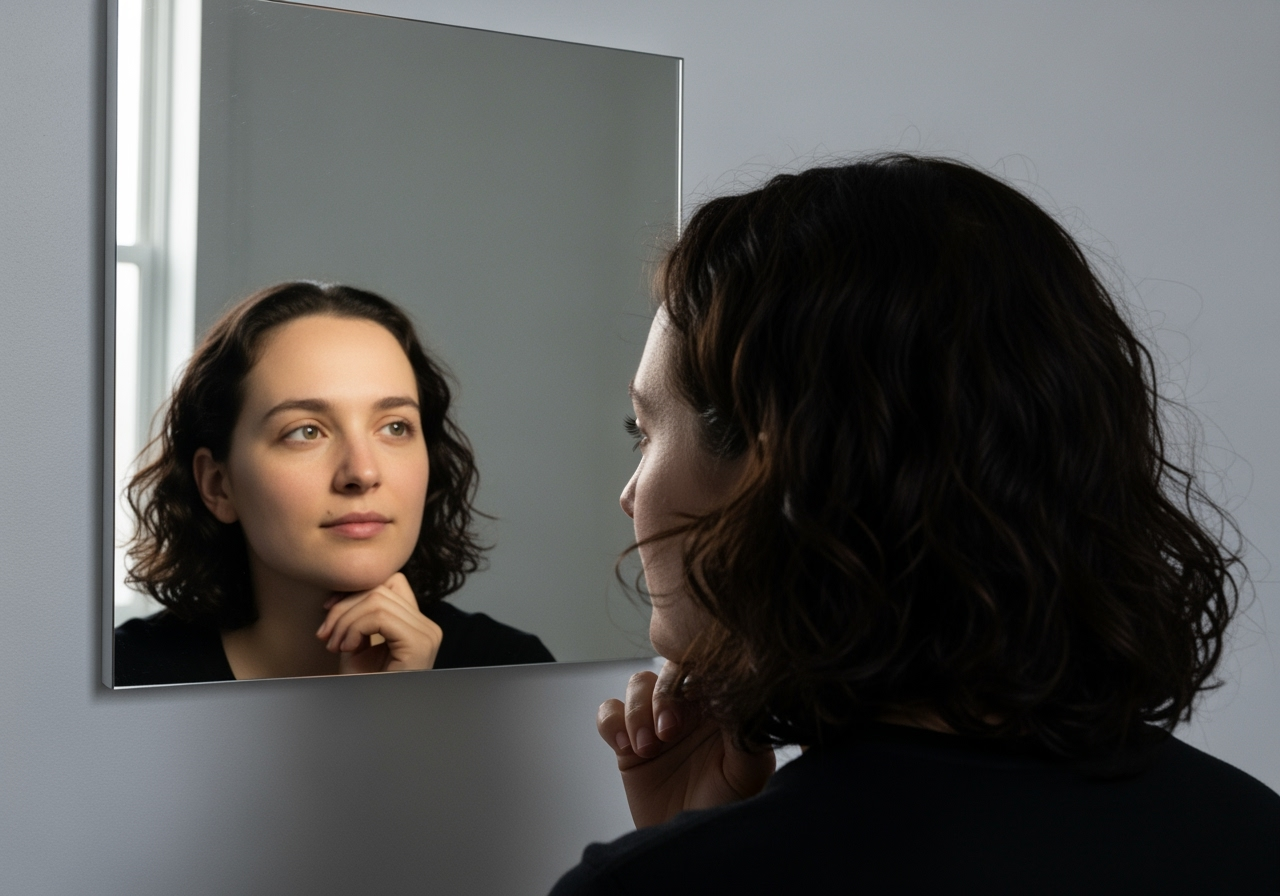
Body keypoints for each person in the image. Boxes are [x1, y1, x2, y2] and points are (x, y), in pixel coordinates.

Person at [551, 155, 1280, 892]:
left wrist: (686, 860)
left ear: (774, 468)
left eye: (642, 431)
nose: (629, 493)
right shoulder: (1254, 836)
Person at [114, 281, 553, 686]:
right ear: (218, 485)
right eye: (306, 431)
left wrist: (406, 706)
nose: (362, 473)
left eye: (395, 427)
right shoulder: (127, 673)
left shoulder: (512, 671)